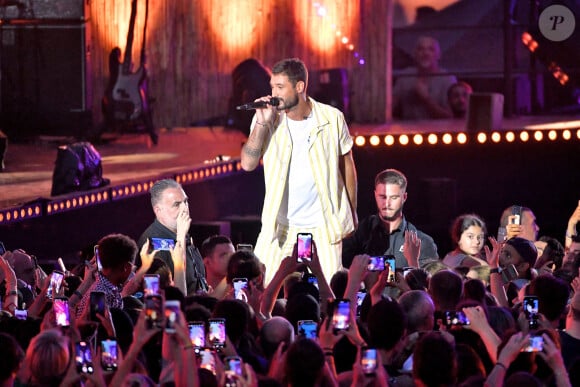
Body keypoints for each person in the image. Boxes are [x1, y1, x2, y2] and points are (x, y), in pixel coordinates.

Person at [240, 57, 358, 285]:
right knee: (262, 287)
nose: (273, 93)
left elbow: (348, 165)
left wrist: (351, 212)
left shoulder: (331, 118)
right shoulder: (267, 118)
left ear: (300, 87)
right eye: (272, 86)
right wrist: (262, 123)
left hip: (323, 225)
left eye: (280, 87)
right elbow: (247, 164)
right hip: (280, 226)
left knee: (329, 293)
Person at [342, 168, 438, 270]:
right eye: (383, 197)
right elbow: (341, 268)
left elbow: (430, 283)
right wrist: (388, 266)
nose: (387, 203)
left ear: (404, 197)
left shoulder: (422, 242)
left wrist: (412, 262)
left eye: (393, 197)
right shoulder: (360, 233)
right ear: (375, 195)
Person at [138, 179, 208, 296]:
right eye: (176, 204)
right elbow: (171, 295)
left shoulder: (182, 233)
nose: (184, 208)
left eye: (185, 202)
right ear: (158, 211)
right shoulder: (155, 243)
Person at [393, 36, 457, 119]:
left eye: (431, 49)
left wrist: (426, 99)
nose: (425, 53)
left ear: (438, 55)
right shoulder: (405, 76)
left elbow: (452, 118)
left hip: (438, 131)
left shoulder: (448, 79)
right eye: (421, 49)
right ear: (415, 54)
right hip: (409, 131)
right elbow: (391, 106)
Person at [76, 233, 138, 316]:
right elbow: (96, 327)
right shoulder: (100, 294)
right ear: (126, 268)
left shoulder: (107, 289)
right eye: (132, 268)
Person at [201, 235, 235, 299]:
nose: (231, 259)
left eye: (233, 255)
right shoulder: (199, 291)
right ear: (207, 262)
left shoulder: (238, 291)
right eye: (224, 255)